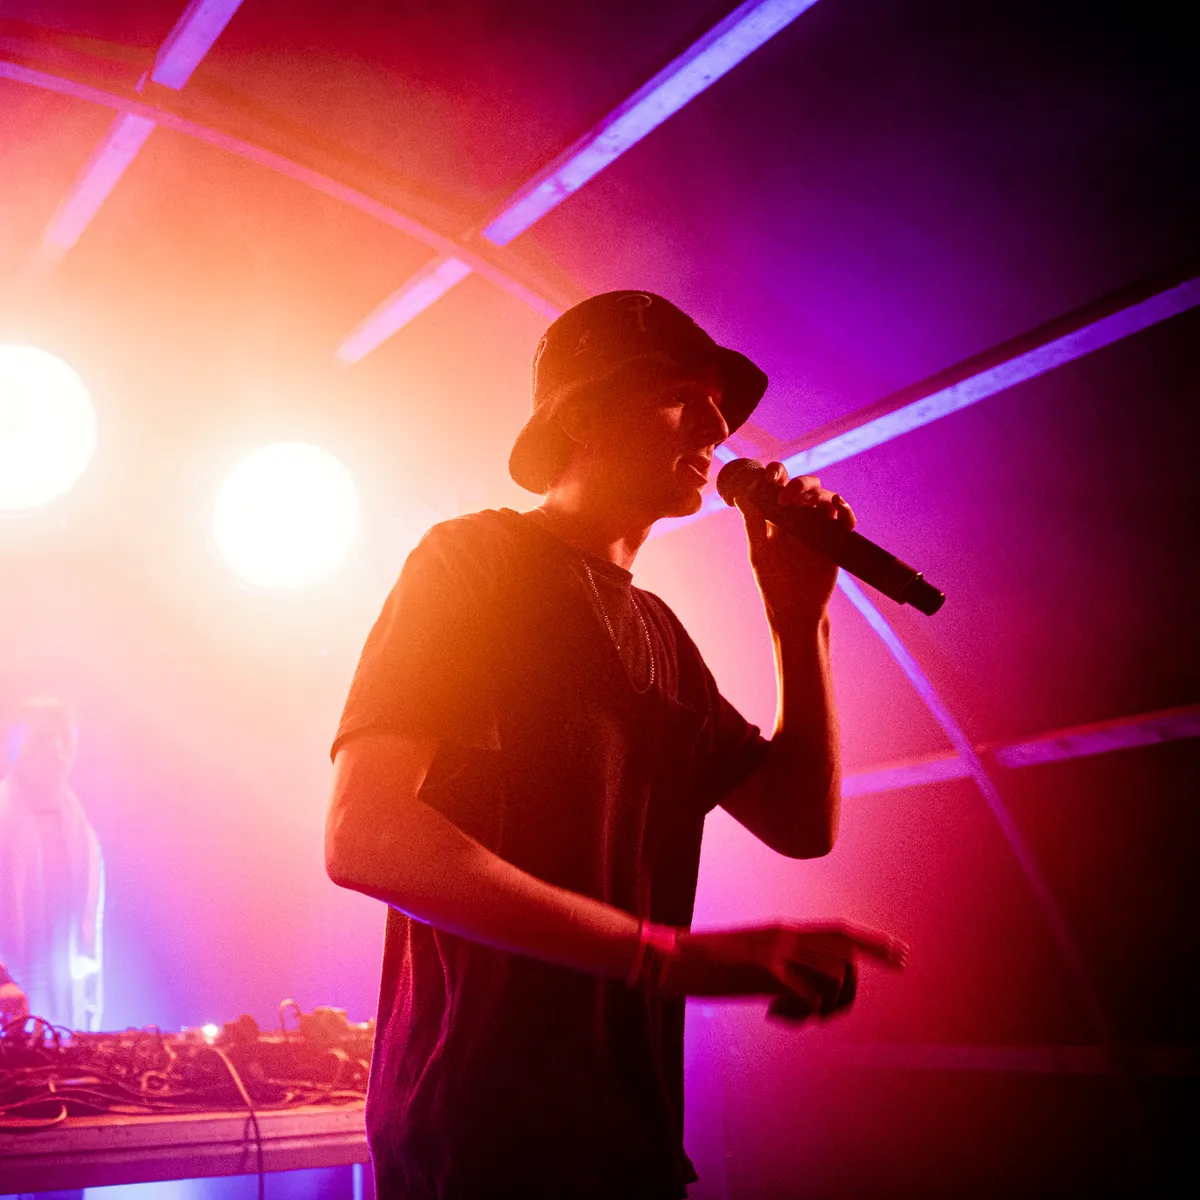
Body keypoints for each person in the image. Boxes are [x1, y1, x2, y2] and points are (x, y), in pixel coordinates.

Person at [325, 291, 906, 1198]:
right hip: (482, 1139)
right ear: (581, 415)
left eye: (719, 405)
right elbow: (366, 834)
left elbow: (800, 822)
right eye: (681, 395)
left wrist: (802, 625)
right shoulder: (473, 562)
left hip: (627, 1138)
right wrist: (671, 956)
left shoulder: (663, 636)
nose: (718, 425)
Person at [0, 698, 104, 1031]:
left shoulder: (81, 828)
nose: (58, 749)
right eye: (44, 737)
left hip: (66, 1011)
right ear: (14, 747)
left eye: (66, 738)